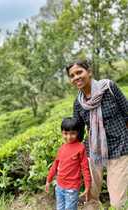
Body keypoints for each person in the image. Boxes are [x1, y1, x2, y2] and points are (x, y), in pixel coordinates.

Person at [66, 59, 128, 210]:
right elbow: (78, 132)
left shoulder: (109, 87)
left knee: (118, 204)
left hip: (120, 147)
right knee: (90, 197)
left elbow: (127, 114)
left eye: (79, 72)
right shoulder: (78, 103)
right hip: (94, 151)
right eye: (72, 75)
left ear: (89, 72)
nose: (76, 77)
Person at [45, 117, 91, 210]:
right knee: (60, 208)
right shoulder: (62, 148)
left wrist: (87, 186)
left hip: (72, 189)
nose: (69, 137)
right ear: (62, 132)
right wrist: (48, 180)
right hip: (59, 186)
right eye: (66, 133)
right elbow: (55, 165)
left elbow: (85, 169)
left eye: (72, 133)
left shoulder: (80, 148)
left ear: (77, 132)